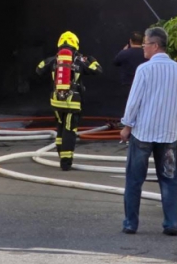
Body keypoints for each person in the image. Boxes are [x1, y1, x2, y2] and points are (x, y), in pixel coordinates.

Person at [120, 26, 177, 236]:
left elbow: (134, 101)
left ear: (155, 45)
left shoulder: (144, 69)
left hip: (143, 132)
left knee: (134, 179)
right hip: (169, 134)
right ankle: (171, 223)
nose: (143, 48)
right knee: (169, 179)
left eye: (146, 44)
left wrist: (127, 126)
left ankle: (131, 224)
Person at [36, 31, 102, 171]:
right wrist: (92, 59)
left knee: (60, 127)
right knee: (69, 130)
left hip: (56, 101)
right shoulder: (79, 60)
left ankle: (61, 155)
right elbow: (97, 70)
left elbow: (39, 69)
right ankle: (66, 163)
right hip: (73, 101)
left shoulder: (54, 59)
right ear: (75, 44)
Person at [113, 32, 145, 135]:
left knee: (129, 107)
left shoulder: (125, 53)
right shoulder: (145, 53)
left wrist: (123, 51)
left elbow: (115, 62)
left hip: (127, 84)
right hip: (143, 85)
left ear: (130, 41)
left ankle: (127, 129)